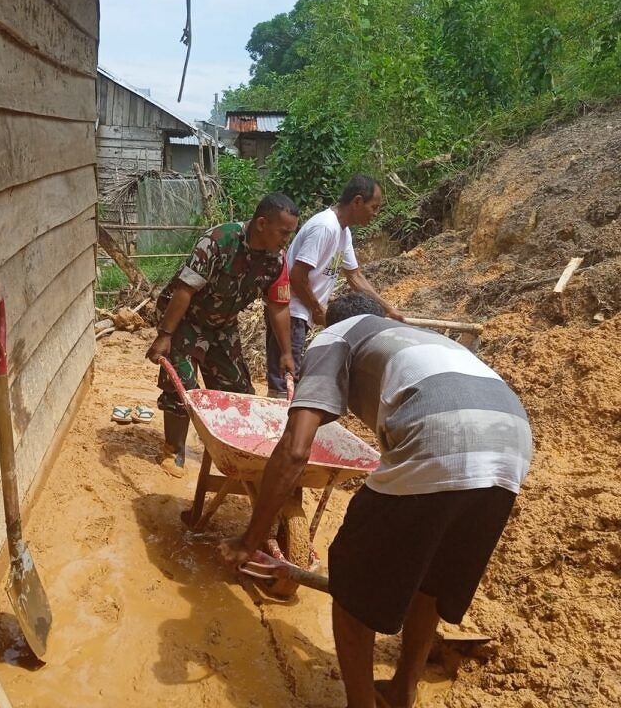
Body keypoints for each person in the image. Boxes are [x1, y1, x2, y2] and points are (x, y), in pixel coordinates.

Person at [222, 292, 532, 708]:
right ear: (384, 316)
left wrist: (248, 540)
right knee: (431, 583)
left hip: (439, 439)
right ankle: (403, 692)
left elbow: (296, 449)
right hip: (511, 446)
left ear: (328, 323)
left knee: (350, 585)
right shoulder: (419, 338)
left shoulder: (334, 337)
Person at [145, 193, 299, 477]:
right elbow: (184, 290)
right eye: (284, 232)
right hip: (185, 318)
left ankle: (229, 450)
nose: (287, 239)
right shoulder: (218, 241)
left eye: (291, 233)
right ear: (262, 223)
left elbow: (278, 306)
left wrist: (287, 353)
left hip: (222, 324)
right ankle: (173, 450)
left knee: (238, 392)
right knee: (183, 385)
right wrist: (165, 335)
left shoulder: (275, 260)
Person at [266, 174, 402, 398]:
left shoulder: (343, 232)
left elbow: (355, 276)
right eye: (374, 206)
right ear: (357, 201)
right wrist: (318, 310)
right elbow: (297, 275)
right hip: (292, 314)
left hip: (302, 315)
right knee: (285, 382)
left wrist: (388, 309)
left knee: (289, 380)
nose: (376, 213)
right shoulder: (325, 227)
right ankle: (278, 427)